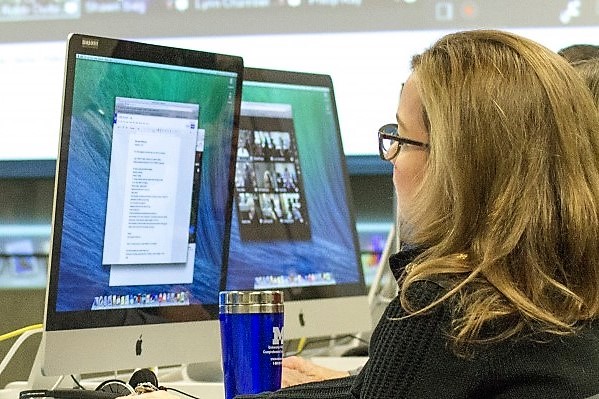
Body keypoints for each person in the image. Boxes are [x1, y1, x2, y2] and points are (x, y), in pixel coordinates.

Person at [132, 30, 599, 399]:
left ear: (459, 168)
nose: (392, 157)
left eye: (402, 138)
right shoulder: (552, 298)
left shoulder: (447, 313)